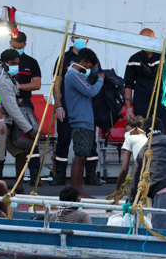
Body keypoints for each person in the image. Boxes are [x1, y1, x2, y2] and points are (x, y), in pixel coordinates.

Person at [51, 36, 101, 187]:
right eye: (90, 66)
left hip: (84, 116)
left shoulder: (81, 69)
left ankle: (87, 180)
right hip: (76, 116)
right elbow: (90, 91)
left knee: (85, 153)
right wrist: (58, 105)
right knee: (74, 152)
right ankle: (72, 186)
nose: (91, 69)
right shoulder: (70, 69)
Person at [0, 49, 40, 194]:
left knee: (20, 153)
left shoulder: (8, 77)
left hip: (8, 122)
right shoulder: (2, 80)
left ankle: (19, 186)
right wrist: (29, 129)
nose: (16, 66)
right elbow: (12, 109)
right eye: (13, 63)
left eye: (17, 63)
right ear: (4, 63)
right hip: (0, 123)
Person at [64, 48, 105, 198]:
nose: (88, 70)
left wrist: (94, 69)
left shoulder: (76, 75)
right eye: (88, 67)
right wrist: (101, 78)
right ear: (82, 62)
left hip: (85, 120)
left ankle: (79, 190)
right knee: (79, 156)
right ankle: (77, 191)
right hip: (80, 120)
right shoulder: (73, 75)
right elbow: (91, 91)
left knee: (82, 157)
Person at [124, 28, 166, 135]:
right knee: (142, 136)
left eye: (150, 40)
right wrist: (128, 109)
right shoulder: (134, 59)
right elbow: (128, 85)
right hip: (141, 105)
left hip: (161, 105)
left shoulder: (164, 58)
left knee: (163, 136)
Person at [113, 116, 147, 203]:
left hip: (142, 174)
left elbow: (124, 168)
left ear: (135, 129)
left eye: (128, 132)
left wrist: (118, 188)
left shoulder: (130, 138)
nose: (127, 134)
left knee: (131, 203)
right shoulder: (149, 138)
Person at [9, 31, 42, 111]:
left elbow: (37, 84)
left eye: (19, 48)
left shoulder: (31, 62)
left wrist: (18, 86)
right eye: (14, 48)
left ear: (25, 44)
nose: (16, 50)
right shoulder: (2, 62)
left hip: (24, 103)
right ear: (10, 43)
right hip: (7, 102)